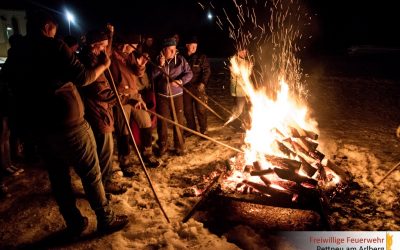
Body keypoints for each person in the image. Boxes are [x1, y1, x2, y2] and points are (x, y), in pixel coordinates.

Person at [0, 10, 128, 236]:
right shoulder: (54, 47)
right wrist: (103, 66)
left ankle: (74, 222)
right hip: (68, 123)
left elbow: (9, 82)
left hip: (40, 126)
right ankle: (105, 218)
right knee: (91, 173)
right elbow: (84, 77)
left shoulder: (17, 51)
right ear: (49, 27)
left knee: (59, 177)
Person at [79, 28, 127, 195]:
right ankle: (103, 183)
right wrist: (121, 97)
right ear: (94, 45)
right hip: (98, 113)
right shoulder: (91, 63)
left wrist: (110, 35)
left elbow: (107, 52)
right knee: (104, 151)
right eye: (102, 47)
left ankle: (103, 180)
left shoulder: (95, 57)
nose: (105, 51)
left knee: (105, 149)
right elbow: (101, 92)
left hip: (101, 112)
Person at [110, 32, 160, 174]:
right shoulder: (112, 56)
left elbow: (137, 73)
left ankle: (147, 153)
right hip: (120, 98)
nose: (135, 48)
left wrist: (141, 66)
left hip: (134, 95)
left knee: (146, 122)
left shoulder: (130, 56)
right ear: (126, 44)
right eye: (134, 46)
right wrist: (111, 34)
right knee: (123, 130)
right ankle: (124, 160)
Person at [152, 37, 193, 156]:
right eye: (170, 49)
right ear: (164, 50)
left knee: (178, 121)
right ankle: (163, 145)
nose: (173, 52)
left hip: (177, 95)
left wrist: (180, 81)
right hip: (162, 96)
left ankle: (179, 146)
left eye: (174, 49)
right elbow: (152, 76)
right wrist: (160, 66)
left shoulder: (180, 60)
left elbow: (189, 73)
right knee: (162, 122)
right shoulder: (157, 59)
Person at [182, 36, 211, 136]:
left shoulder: (201, 57)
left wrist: (203, 83)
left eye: (196, 46)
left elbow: (207, 71)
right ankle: (191, 129)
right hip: (185, 88)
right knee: (187, 110)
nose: (194, 48)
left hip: (198, 87)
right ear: (187, 46)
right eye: (192, 46)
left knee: (201, 109)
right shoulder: (182, 57)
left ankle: (203, 129)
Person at [228, 48, 253, 129]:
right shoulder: (234, 62)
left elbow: (248, 77)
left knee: (247, 108)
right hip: (239, 90)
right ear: (238, 51)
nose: (244, 53)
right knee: (239, 109)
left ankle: (245, 124)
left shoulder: (247, 62)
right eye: (242, 51)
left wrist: (250, 68)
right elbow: (233, 78)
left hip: (247, 90)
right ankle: (237, 124)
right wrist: (234, 91)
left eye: (245, 51)